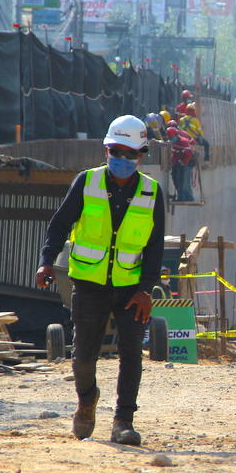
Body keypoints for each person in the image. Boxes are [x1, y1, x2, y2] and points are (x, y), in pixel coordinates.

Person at [36, 115, 164, 446]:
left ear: (142, 155)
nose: (122, 160)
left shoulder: (152, 192)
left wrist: (146, 291)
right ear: (106, 150)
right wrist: (47, 262)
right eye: (116, 152)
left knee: (132, 353)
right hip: (89, 286)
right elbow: (59, 224)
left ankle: (123, 421)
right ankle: (87, 400)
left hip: (130, 290)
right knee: (82, 357)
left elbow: (154, 247)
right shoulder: (87, 182)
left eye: (130, 154)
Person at [166, 126, 195, 201]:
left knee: (183, 180)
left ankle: (187, 197)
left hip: (187, 163)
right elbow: (174, 154)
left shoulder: (183, 142)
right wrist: (173, 163)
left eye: (172, 137)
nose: (171, 139)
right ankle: (180, 196)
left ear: (176, 135)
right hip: (178, 163)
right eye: (170, 138)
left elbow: (189, 154)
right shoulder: (173, 143)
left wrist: (182, 162)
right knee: (175, 177)